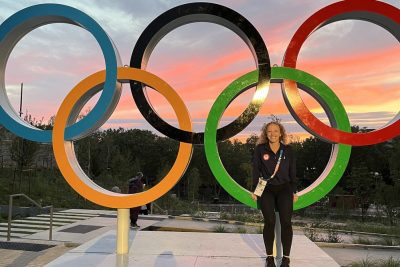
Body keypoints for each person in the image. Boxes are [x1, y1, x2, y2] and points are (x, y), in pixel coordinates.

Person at [251, 121, 298, 267]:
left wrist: (294, 191)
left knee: (286, 222)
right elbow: (256, 170)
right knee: (269, 221)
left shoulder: (288, 150)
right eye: (269, 131)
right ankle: (269, 257)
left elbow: (292, 172)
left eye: (276, 131)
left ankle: (286, 258)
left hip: (285, 188)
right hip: (266, 189)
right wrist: (255, 190)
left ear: (281, 133)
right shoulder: (260, 149)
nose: (273, 134)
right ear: (266, 133)